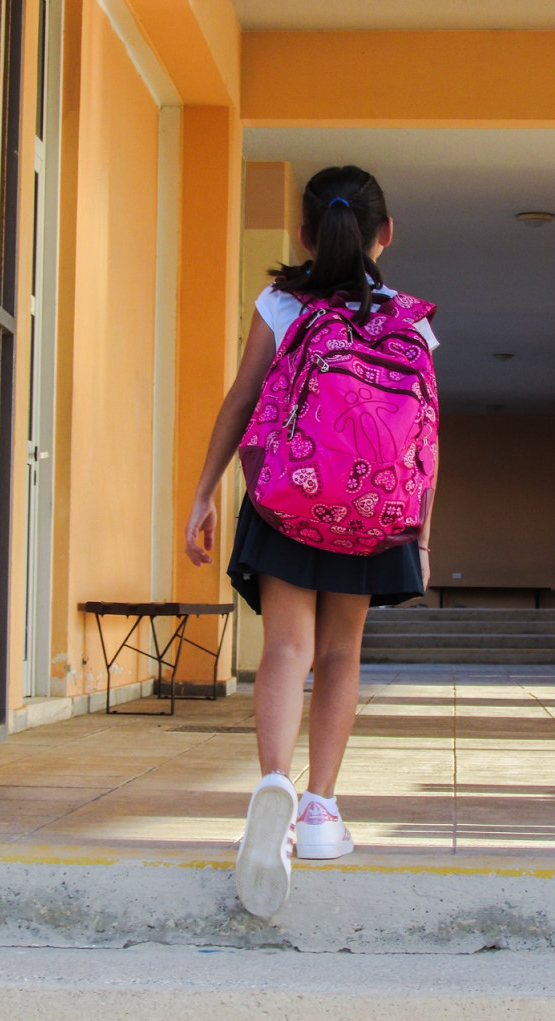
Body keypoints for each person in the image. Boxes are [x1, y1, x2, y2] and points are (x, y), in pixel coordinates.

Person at [185, 165, 439, 919]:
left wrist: (202, 493)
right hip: (372, 508)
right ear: (384, 235)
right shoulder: (412, 320)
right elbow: (426, 432)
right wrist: (420, 530)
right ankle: (321, 808)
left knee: (286, 650)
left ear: (303, 234)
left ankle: (272, 784)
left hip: (288, 498)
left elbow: (241, 398)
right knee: (339, 654)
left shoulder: (280, 303)